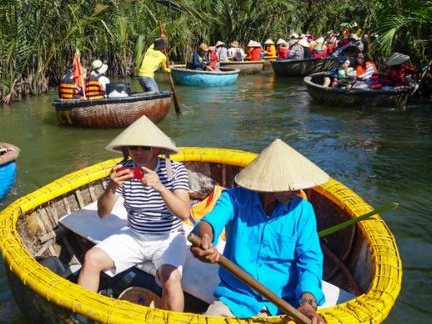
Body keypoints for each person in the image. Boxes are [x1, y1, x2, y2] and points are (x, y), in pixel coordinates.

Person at [190, 139, 328, 322]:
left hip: (284, 305)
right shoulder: (235, 199)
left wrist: (307, 304)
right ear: (270, 183)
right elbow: (209, 222)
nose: (297, 191)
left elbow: (310, 261)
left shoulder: (303, 211)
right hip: (235, 301)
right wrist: (206, 238)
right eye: (291, 185)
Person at [77, 116, 190, 312]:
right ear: (127, 150)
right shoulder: (122, 171)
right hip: (134, 234)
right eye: (133, 148)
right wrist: (111, 187)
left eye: (145, 147)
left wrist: (161, 188)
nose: (139, 153)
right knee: (91, 258)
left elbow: (184, 213)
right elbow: (103, 213)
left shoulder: (175, 170)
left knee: (171, 278)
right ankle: (80, 314)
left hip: (168, 236)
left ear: (156, 149)